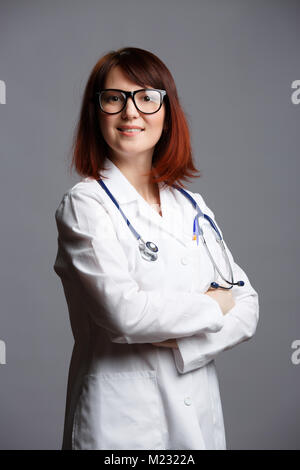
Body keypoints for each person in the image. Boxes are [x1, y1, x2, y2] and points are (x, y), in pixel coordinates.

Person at [53, 46, 259, 450]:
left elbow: (248, 307)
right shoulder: (85, 204)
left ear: (167, 113)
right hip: (121, 424)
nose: (131, 112)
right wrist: (215, 306)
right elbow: (125, 316)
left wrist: (179, 340)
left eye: (147, 97)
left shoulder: (191, 206)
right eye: (114, 98)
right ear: (96, 114)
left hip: (197, 416)